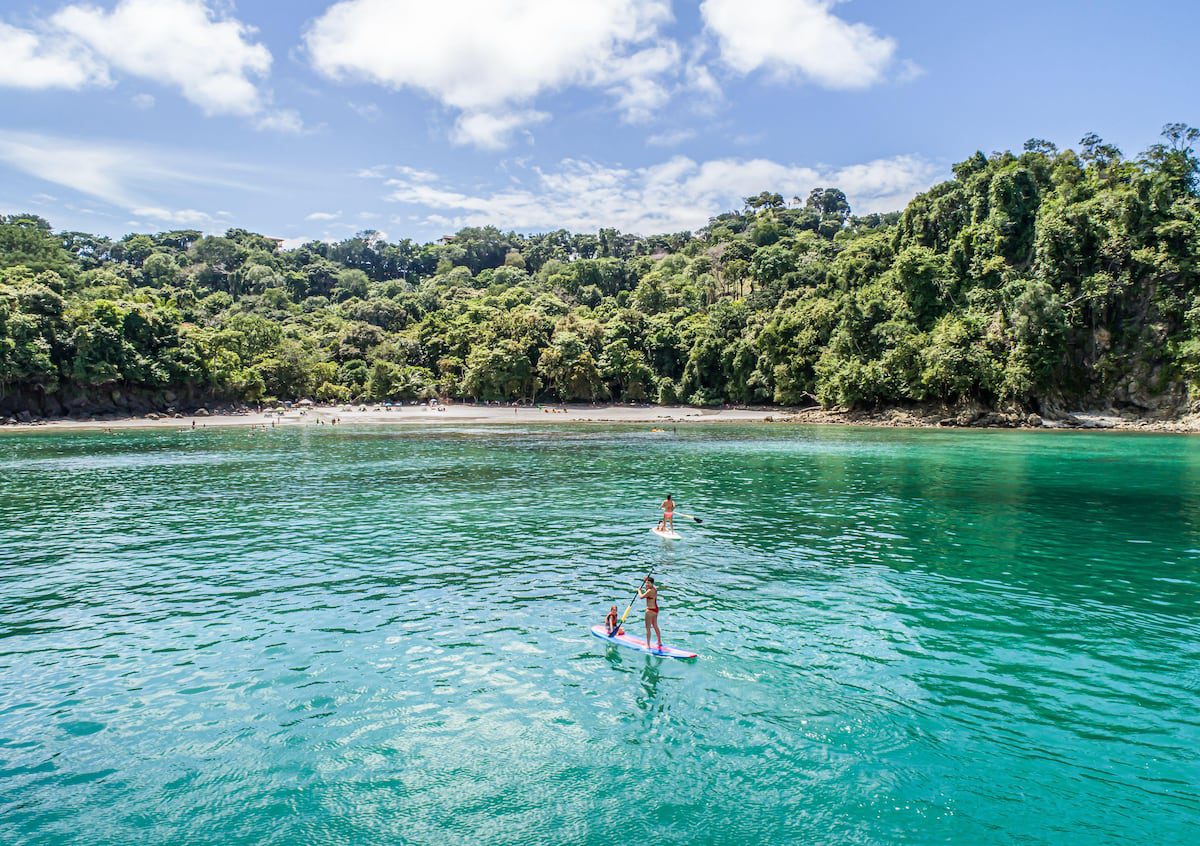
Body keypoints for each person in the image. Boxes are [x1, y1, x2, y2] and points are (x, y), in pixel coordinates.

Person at [639, 576, 662, 650]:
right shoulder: (654, 589)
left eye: (648, 583)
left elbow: (641, 596)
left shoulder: (649, 591)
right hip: (655, 609)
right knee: (655, 625)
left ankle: (648, 645)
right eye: (646, 583)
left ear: (652, 583)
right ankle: (659, 641)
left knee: (648, 628)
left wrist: (639, 590)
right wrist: (646, 580)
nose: (646, 584)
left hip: (649, 611)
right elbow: (648, 588)